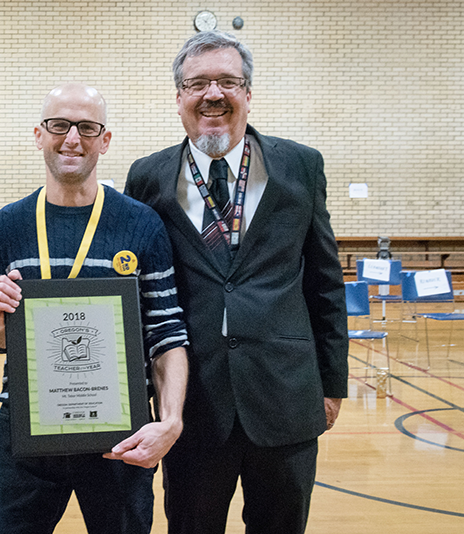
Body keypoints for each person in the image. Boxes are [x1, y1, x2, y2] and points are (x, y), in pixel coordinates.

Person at [124, 31, 349, 534]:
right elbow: (138, 288)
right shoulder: (147, 176)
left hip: (286, 396)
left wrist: (331, 385)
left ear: (248, 93)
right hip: (193, 404)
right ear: (178, 97)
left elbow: (325, 284)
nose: (213, 94)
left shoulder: (301, 166)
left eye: (228, 81)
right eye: (197, 83)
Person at [0, 82, 189, 534]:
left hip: (121, 431)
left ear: (104, 140)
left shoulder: (141, 224)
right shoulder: (4, 227)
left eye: (87, 127)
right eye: (59, 125)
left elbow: (167, 332)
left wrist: (170, 420)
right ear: (39, 134)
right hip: (28, 430)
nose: (72, 138)